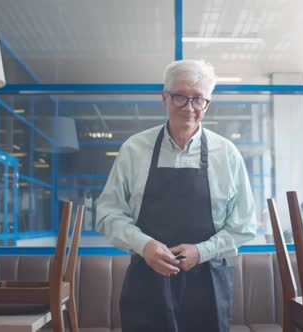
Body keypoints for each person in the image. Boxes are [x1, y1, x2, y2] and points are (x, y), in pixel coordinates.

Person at [96, 59, 256, 332]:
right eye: (180, 97)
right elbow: (108, 214)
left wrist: (201, 251)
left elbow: (244, 225)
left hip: (208, 284)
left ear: (208, 102)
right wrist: (145, 246)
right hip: (146, 285)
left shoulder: (227, 154)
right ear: (164, 98)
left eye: (198, 99)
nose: (189, 108)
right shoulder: (134, 150)